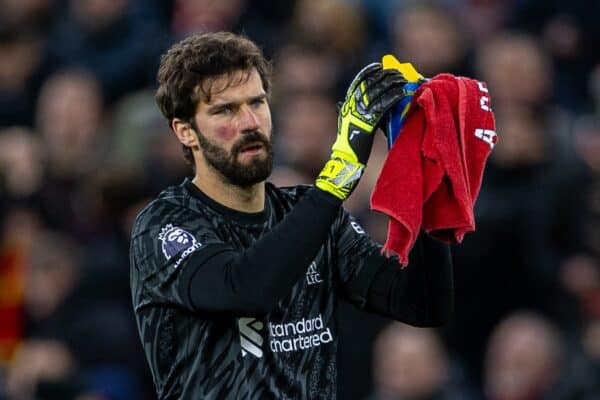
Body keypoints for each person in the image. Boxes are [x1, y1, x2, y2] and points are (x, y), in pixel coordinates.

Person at [129, 31, 454, 399]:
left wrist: (426, 187)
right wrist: (340, 173)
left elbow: (422, 304)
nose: (250, 122)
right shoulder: (164, 225)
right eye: (225, 110)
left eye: (257, 102)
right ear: (185, 131)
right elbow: (245, 290)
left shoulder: (310, 213)